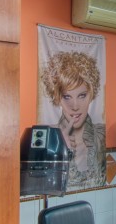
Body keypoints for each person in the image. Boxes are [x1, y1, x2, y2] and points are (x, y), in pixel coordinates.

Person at [39, 51, 106, 189]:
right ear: (57, 98)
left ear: (91, 95)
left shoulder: (101, 135)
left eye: (82, 95)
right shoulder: (48, 138)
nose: (75, 106)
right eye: (67, 97)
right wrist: (58, 147)